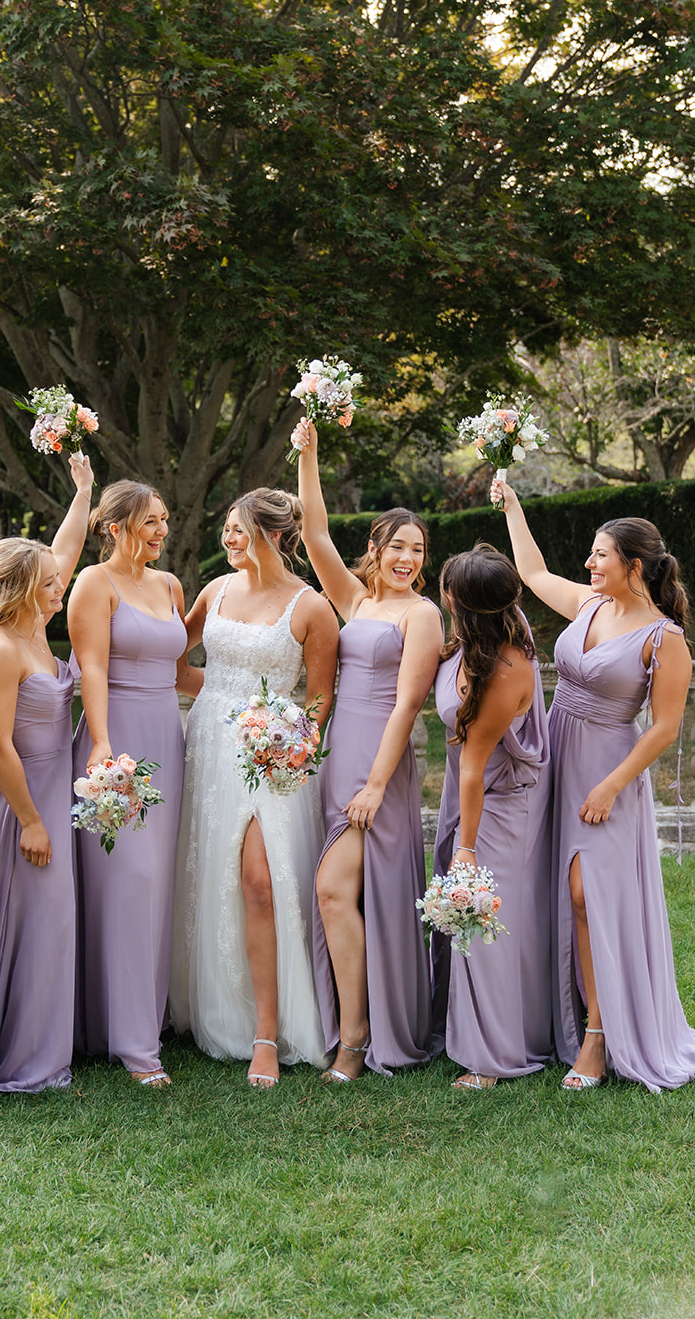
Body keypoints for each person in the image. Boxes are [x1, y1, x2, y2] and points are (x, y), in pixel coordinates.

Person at [497, 480, 695, 1091]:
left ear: (634, 567)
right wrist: (513, 506)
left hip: (608, 768)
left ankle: (598, 1034)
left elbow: (665, 728)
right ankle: (549, 1016)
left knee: (586, 892)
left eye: (600, 555)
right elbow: (533, 572)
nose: (589, 564)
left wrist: (612, 785)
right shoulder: (589, 607)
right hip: (556, 753)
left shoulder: (664, 640)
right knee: (549, 883)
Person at [170, 489, 339, 1087]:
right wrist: (220, 696)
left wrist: (289, 738)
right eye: (227, 528)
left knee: (262, 882)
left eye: (239, 530)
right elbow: (173, 661)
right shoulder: (214, 592)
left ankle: (269, 1030)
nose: (228, 539)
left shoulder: (312, 608)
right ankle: (217, 1008)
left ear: (270, 534)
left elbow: (319, 698)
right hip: (212, 749)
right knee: (214, 876)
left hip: (273, 757)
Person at [294, 421, 442, 1080]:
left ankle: (355, 1037)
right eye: (397, 546)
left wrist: (377, 785)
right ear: (376, 549)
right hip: (335, 763)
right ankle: (347, 1022)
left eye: (416, 549)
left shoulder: (422, 615)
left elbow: (408, 703)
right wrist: (309, 455)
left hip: (378, 766)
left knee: (333, 891)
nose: (406, 558)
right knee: (335, 896)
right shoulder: (354, 602)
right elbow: (313, 535)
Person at [0, 452, 94, 1093]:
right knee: (35, 926)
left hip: (58, 787)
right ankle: (25, 1059)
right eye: (49, 582)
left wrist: (83, 491)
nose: (61, 587)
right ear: (21, 588)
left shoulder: (39, 627)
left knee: (55, 925)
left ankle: (52, 1041)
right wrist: (31, 821)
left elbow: (65, 551)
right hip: (26, 798)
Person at [67, 481, 194, 1087]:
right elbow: (92, 663)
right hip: (118, 739)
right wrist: (99, 742)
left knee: (157, 880)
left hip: (168, 735)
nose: (161, 530)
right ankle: (134, 1043)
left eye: (164, 520)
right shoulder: (95, 584)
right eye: (149, 521)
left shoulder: (169, 585)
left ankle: (146, 1013)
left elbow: (180, 669)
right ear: (115, 525)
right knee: (128, 880)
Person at [431, 544, 552, 1090]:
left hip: (500, 805)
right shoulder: (475, 639)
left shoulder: (503, 669)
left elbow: (475, 767)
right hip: (470, 794)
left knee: (484, 922)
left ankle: (492, 1057)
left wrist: (466, 848)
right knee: (479, 925)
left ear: (458, 601)